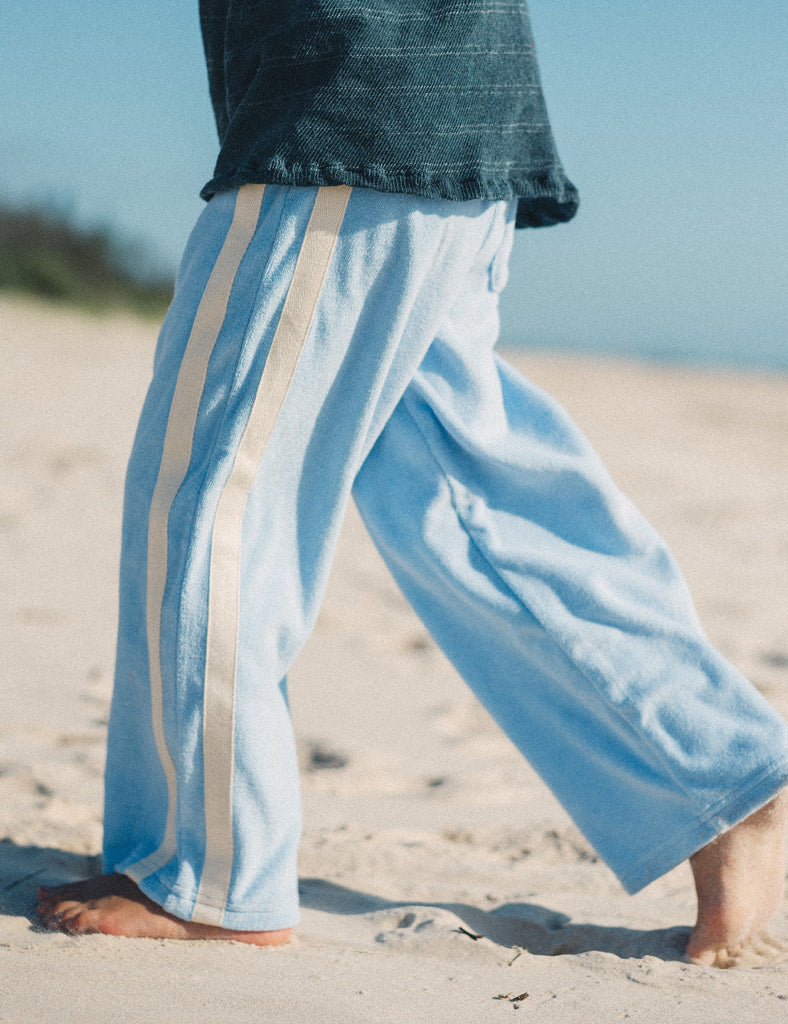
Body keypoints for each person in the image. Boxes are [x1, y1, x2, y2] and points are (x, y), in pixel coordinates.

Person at [38, 1, 788, 968]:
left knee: (214, 496)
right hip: (444, 106)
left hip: (348, 104)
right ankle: (718, 774)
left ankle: (212, 871)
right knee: (471, 501)